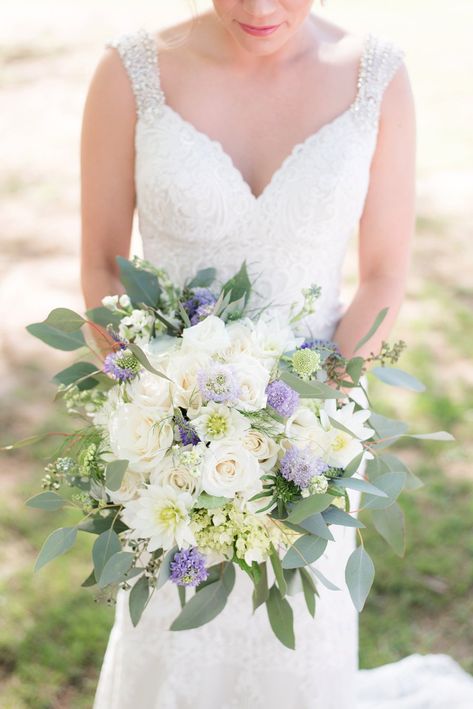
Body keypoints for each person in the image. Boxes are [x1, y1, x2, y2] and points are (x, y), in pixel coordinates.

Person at [82, 2, 419, 707]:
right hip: (166, 434)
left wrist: (307, 422)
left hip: (315, 433)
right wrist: (156, 411)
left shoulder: (376, 77)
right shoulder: (128, 73)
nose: (260, 8)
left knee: (299, 641)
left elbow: (384, 271)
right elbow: (103, 268)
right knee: (170, 629)